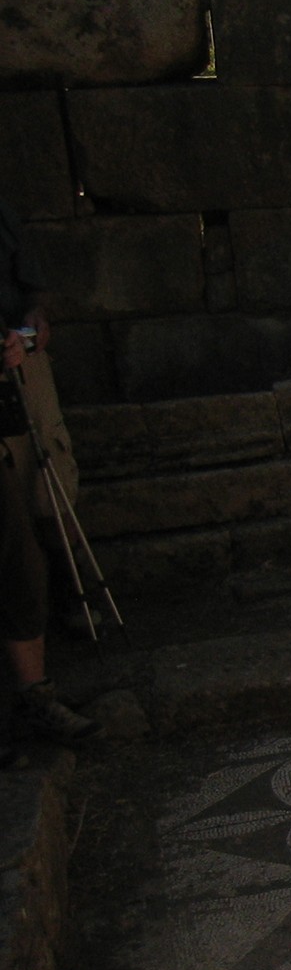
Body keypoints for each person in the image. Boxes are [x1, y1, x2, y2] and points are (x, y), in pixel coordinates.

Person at [0, 199, 95, 753]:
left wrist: (30, 327)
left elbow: (33, 290)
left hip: (16, 373)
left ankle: (37, 691)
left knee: (33, 520)